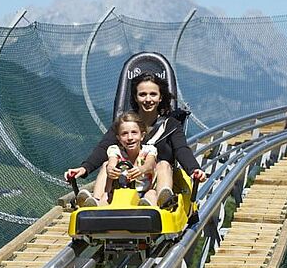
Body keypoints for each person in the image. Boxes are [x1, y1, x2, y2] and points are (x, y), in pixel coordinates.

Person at [64, 72, 206, 207]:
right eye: (143, 94)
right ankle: (97, 201)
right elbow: (104, 147)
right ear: (136, 97)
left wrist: (194, 170)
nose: (148, 99)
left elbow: (181, 150)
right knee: (107, 163)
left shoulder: (171, 125)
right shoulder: (125, 125)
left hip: (155, 182)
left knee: (163, 164)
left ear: (160, 97)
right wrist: (84, 168)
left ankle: (163, 200)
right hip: (125, 180)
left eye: (153, 94)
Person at [100, 111, 158, 206]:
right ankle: (96, 207)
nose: (129, 137)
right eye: (124, 134)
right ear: (119, 138)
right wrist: (111, 170)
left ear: (142, 136)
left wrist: (142, 169)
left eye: (134, 133)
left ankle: (146, 209)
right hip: (120, 194)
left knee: (152, 194)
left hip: (143, 193)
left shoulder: (149, 150)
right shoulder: (115, 150)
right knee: (105, 196)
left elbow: (150, 164)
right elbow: (111, 163)